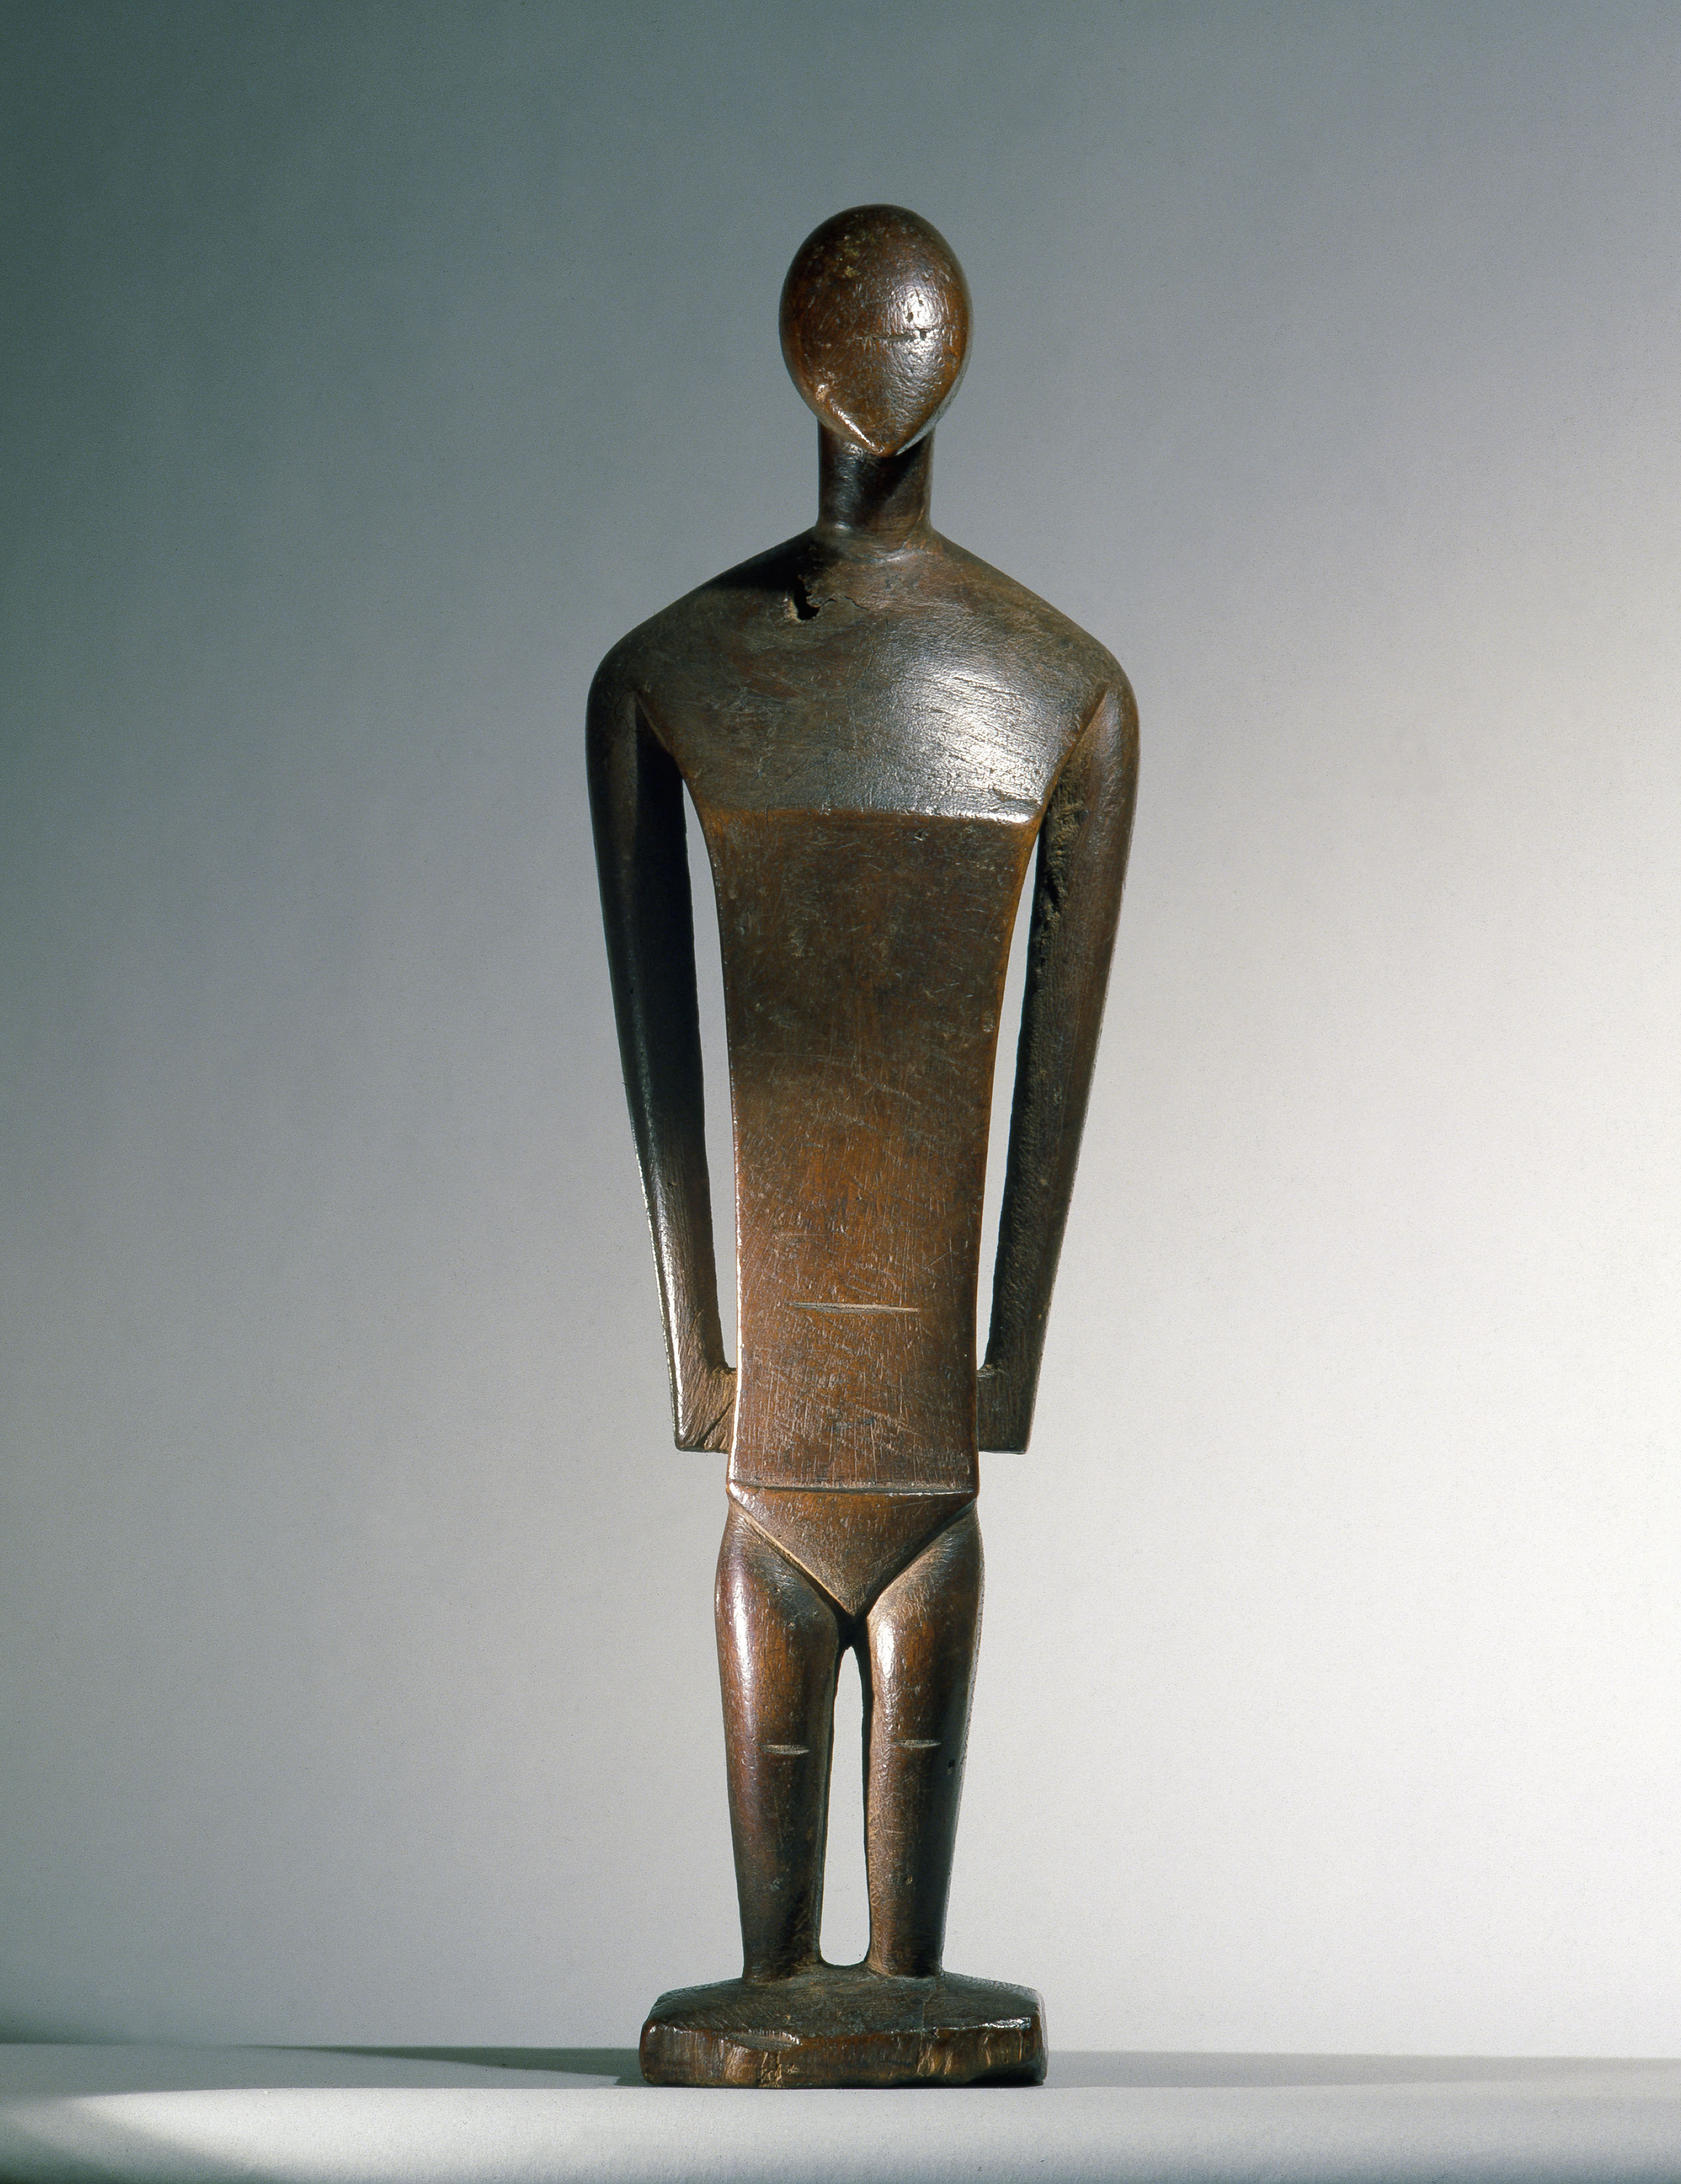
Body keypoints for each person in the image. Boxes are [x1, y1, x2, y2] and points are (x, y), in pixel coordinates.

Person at [589, 204, 1137, 2080]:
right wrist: (699, 1351)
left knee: (910, 1972)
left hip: (912, 1433)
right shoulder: (674, 674)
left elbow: (1054, 1059)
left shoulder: (1057, 690)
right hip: (784, 1434)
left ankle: (889, 1980)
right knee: (780, 1962)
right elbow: (656, 1046)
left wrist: (1002, 1360)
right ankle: (804, 1979)